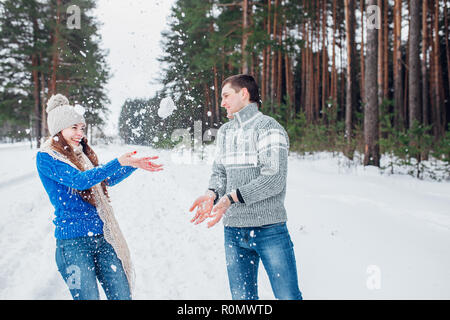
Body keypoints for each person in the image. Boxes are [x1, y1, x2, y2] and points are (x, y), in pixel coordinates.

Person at [36, 94, 163, 300]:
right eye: (74, 128)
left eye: (81, 128)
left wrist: (131, 165)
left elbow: (103, 181)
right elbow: (80, 181)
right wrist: (117, 161)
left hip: (103, 237)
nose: (80, 133)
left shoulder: (80, 155)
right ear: (59, 129)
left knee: (122, 296)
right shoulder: (47, 157)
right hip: (73, 244)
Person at [189, 74, 303, 300]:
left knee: (288, 297)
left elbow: (273, 179)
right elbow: (220, 172)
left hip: (269, 229)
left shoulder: (269, 128)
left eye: (226, 96)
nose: (222, 103)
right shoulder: (225, 132)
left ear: (244, 94)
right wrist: (212, 194)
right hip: (233, 232)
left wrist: (230, 198)